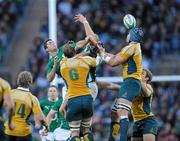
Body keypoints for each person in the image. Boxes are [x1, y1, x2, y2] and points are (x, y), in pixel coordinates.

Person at [94, 27, 144, 141]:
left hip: (131, 82)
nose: (126, 35)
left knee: (122, 112)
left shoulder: (131, 47)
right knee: (114, 113)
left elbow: (113, 62)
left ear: (131, 36)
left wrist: (102, 55)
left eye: (128, 34)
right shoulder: (133, 47)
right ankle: (112, 139)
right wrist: (102, 51)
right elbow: (116, 57)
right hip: (130, 82)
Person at [59, 41, 103, 141]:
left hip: (73, 99)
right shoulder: (85, 60)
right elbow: (98, 61)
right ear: (74, 51)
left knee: (75, 133)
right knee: (86, 131)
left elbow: (70, 57)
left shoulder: (63, 64)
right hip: (87, 98)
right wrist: (100, 52)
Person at [4, 71, 48, 141]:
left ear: (18, 81)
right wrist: (46, 126)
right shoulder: (32, 98)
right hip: (24, 132)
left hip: (9, 130)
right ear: (30, 83)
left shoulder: (10, 93)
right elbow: (40, 117)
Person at [131, 69, 158, 141]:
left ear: (147, 78)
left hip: (148, 120)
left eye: (142, 74)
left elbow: (146, 93)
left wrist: (138, 79)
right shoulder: (133, 88)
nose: (139, 75)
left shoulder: (148, 86)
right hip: (136, 122)